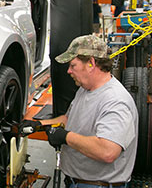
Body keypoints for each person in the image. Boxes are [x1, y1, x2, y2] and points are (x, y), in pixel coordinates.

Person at [21, 34, 137, 187]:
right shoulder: (86, 89)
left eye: (73, 65)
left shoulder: (115, 101)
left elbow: (108, 151)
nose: (68, 71)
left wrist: (66, 137)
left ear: (91, 63)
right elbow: (69, 119)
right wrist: (37, 124)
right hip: (77, 181)